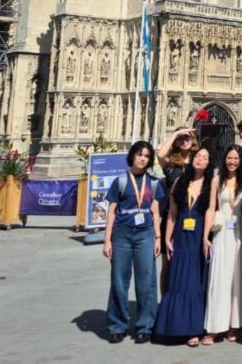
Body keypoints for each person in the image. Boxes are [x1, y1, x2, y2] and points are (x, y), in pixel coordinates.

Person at [103, 141, 166, 344]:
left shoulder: (154, 183)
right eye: (139, 154)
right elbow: (111, 213)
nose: (142, 159)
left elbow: (155, 213)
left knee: (146, 281)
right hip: (122, 234)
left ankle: (145, 325)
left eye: (147, 156)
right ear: (132, 156)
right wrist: (107, 240)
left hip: (145, 234)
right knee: (119, 280)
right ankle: (117, 325)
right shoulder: (120, 181)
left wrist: (158, 238)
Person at [155, 146, 213, 345]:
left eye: (204, 157)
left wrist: (205, 238)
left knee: (195, 281)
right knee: (177, 280)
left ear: (209, 163)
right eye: (198, 156)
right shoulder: (180, 182)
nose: (200, 159)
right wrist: (167, 239)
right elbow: (172, 213)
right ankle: (173, 326)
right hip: (180, 235)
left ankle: (193, 330)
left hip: (198, 236)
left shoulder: (211, 183)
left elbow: (210, 212)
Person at [202, 146, 242, 345]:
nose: (232, 162)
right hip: (222, 233)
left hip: (241, 234)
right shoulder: (217, 180)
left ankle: (234, 325)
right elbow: (210, 208)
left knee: (239, 280)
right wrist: (205, 236)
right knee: (219, 279)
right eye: (229, 158)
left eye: (236, 158)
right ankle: (215, 327)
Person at [157, 127, 199, 289]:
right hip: (171, 216)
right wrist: (175, 134)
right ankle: (166, 298)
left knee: (188, 260)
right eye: (180, 138)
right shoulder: (171, 163)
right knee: (168, 261)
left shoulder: (197, 162)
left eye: (187, 137)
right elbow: (160, 155)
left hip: (190, 216)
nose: (184, 141)